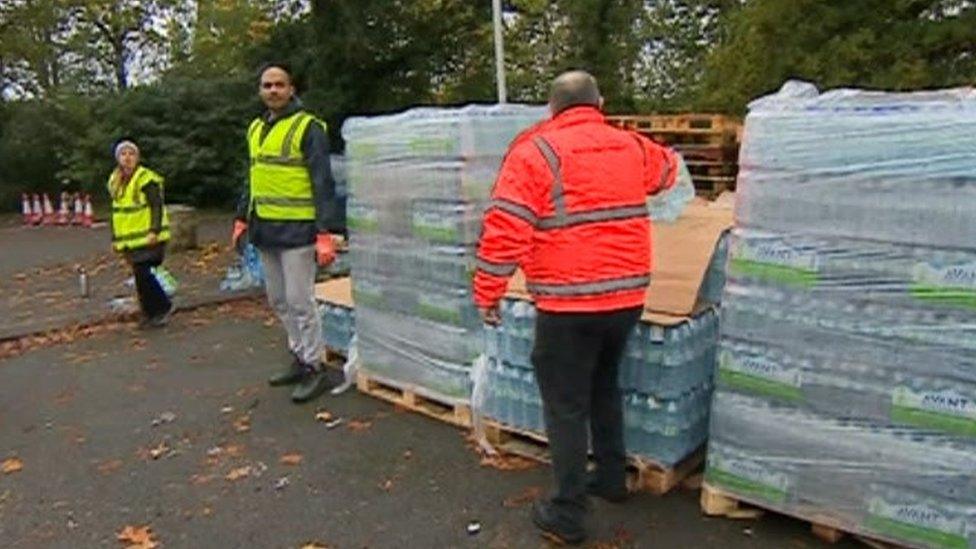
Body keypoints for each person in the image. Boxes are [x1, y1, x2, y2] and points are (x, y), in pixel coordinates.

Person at [473, 70, 678, 544]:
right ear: (599, 101)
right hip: (627, 296)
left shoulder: (535, 152)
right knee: (604, 383)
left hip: (568, 303)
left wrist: (489, 291)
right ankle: (610, 476)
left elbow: (506, 227)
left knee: (564, 404)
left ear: (552, 109)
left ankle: (567, 511)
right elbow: (668, 172)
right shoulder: (631, 146)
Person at [232, 62, 342, 404]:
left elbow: (323, 181)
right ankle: (299, 356)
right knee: (278, 299)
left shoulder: (308, 127)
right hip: (265, 228)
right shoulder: (256, 128)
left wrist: (325, 232)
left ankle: (315, 365)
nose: (273, 91)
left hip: (298, 229)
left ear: (291, 89)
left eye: (279, 85)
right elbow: (254, 176)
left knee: (300, 300)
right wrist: (241, 217)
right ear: (260, 91)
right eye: (267, 85)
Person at [108, 139, 175, 329]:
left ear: (137, 157)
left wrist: (154, 230)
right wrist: (115, 238)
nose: (127, 158)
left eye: (131, 154)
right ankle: (150, 312)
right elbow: (117, 213)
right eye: (123, 154)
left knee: (143, 273)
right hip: (130, 240)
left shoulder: (146, 178)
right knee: (139, 277)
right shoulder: (115, 181)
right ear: (118, 158)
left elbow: (156, 206)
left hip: (149, 237)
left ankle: (162, 307)